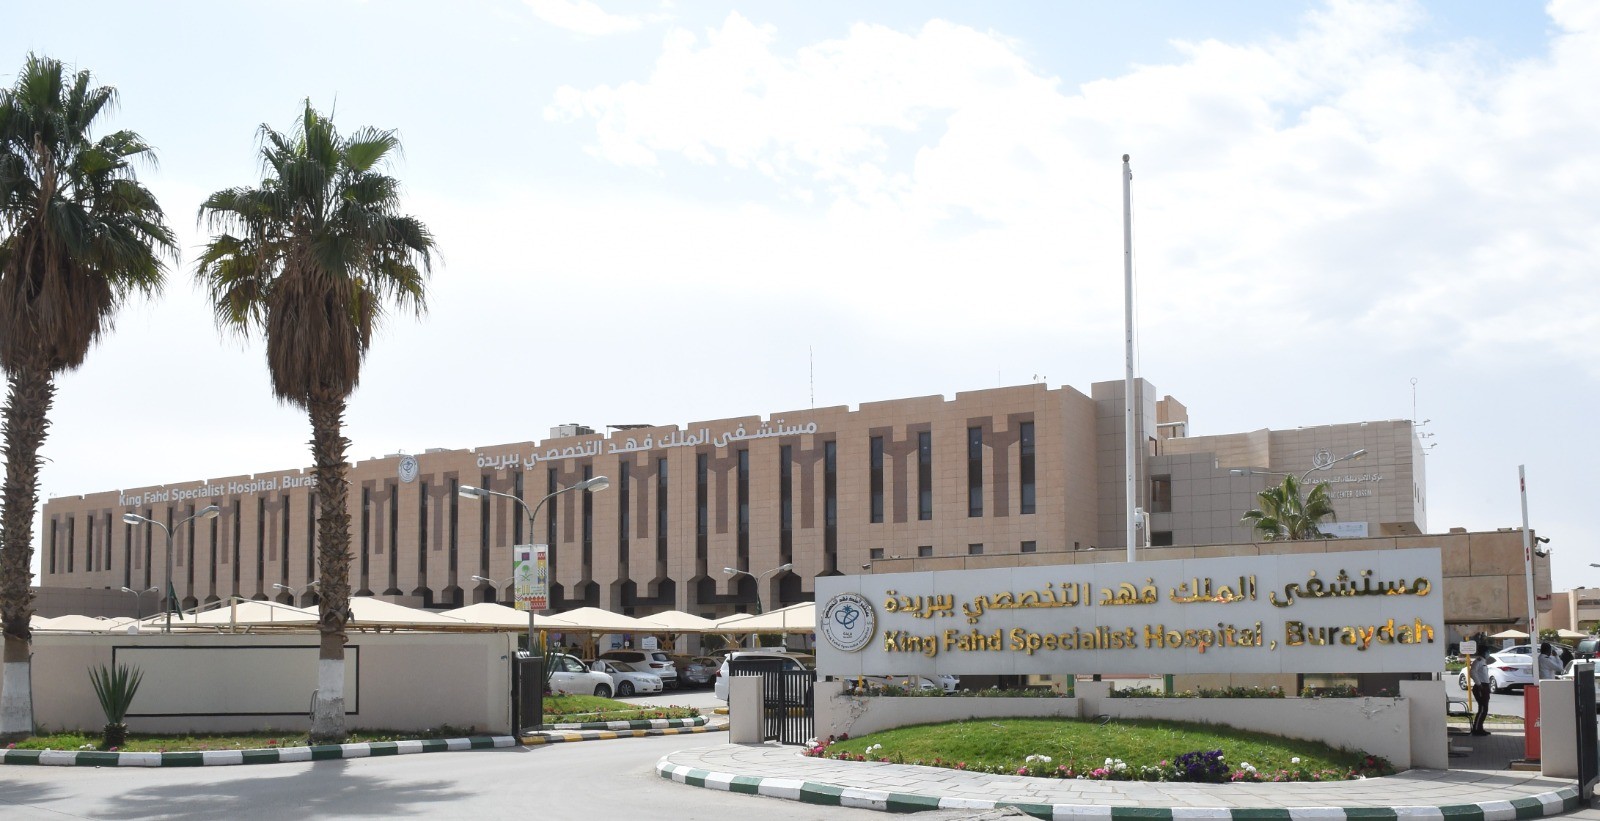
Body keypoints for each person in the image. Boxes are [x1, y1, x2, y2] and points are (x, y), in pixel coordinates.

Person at [1469, 648, 1492, 736]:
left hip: (1485, 686)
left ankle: (1480, 728)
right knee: (1482, 708)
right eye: (1487, 652)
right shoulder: (1478, 661)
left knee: (1484, 709)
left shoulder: (1483, 661)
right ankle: (1476, 729)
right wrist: (1479, 684)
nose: (1488, 653)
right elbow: (1472, 672)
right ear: (1483, 652)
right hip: (1481, 687)